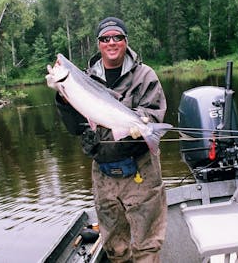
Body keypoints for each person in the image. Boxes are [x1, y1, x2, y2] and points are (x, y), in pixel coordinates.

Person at [51, 17, 168, 262]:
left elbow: (154, 112)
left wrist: (140, 124)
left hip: (141, 170)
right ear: (98, 44)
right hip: (103, 174)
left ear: (126, 41)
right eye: (105, 38)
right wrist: (63, 99)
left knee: (146, 245)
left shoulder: (145, 76)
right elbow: (74, 128)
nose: (111, 42)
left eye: (117, 37)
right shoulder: (82, 80)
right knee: (115, 246)